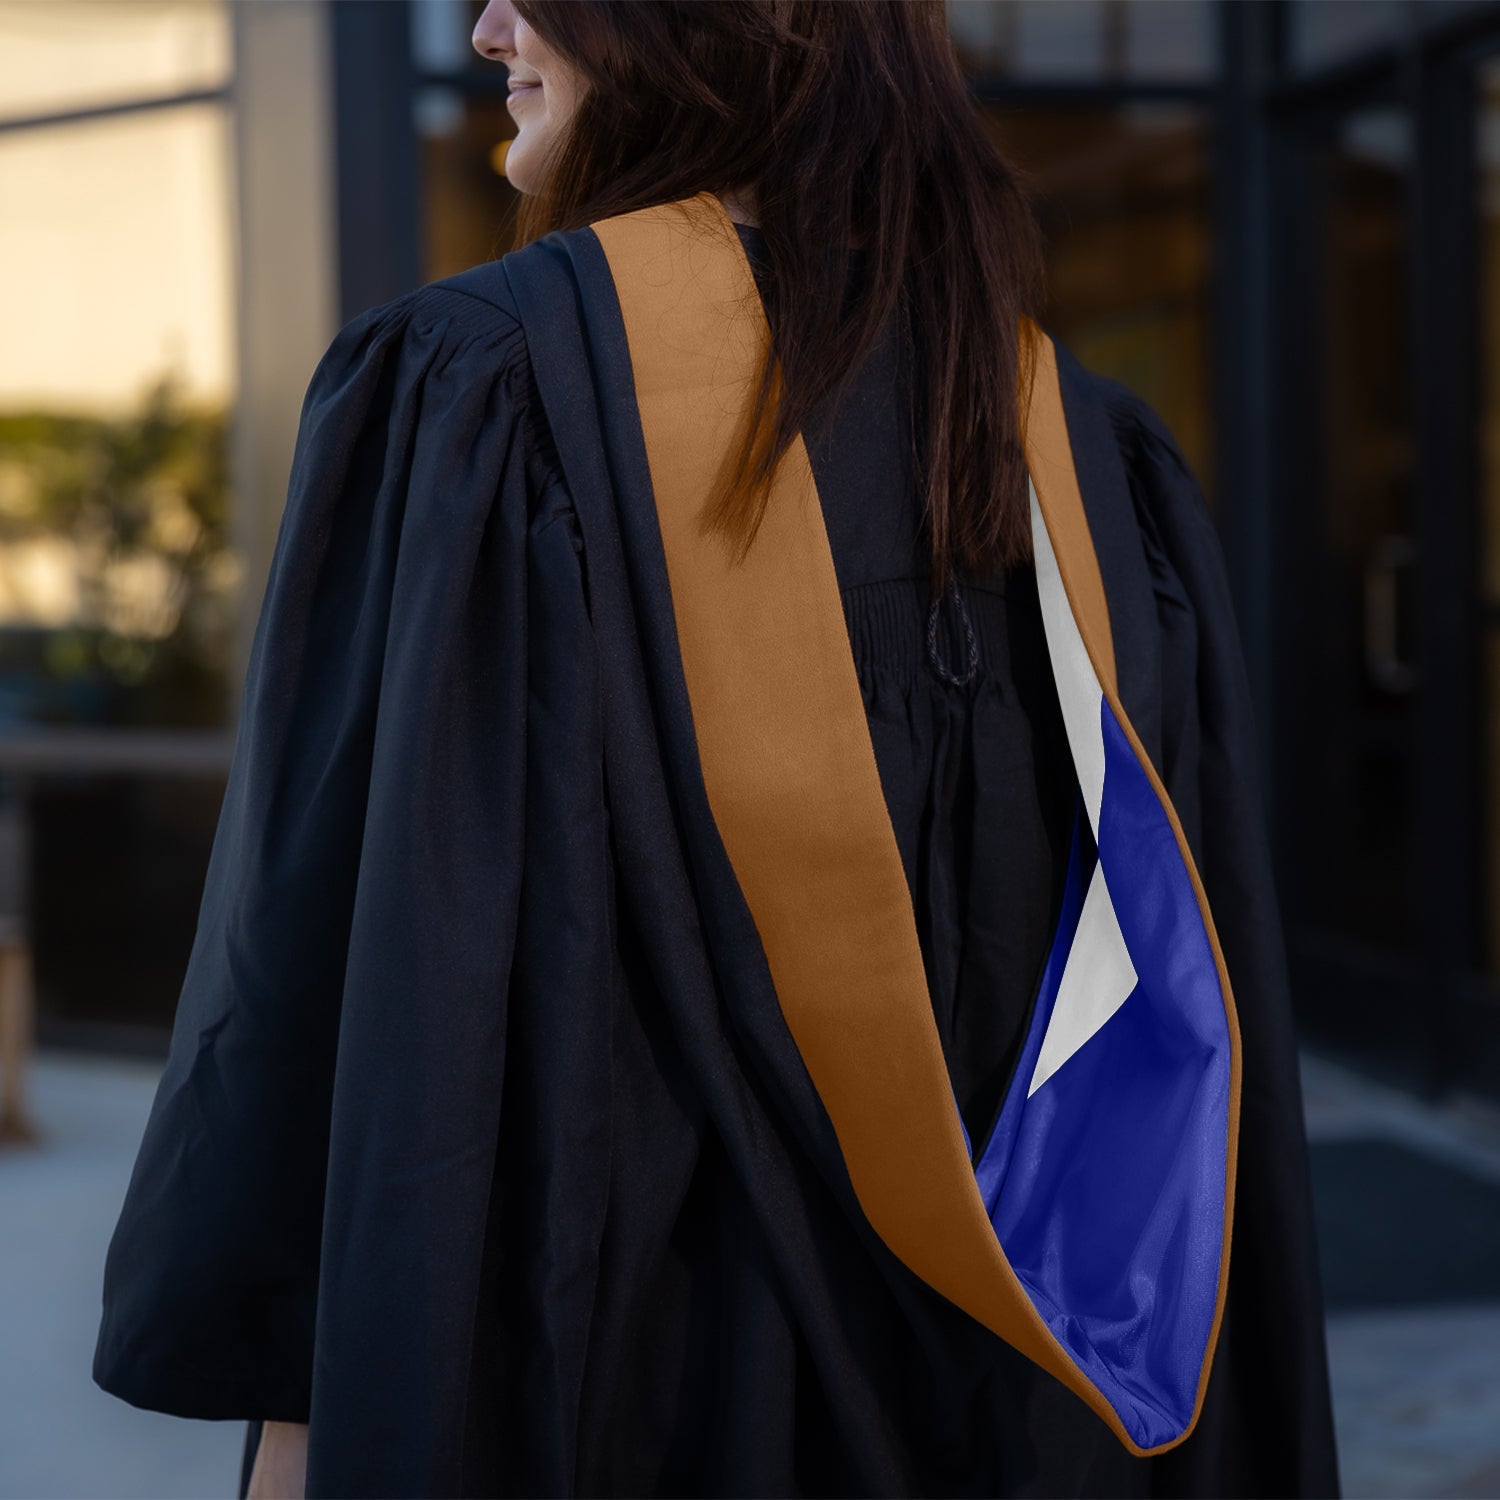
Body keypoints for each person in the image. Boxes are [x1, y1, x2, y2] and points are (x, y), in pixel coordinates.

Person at [92, 3, 1341, 1497]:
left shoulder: (483, 397)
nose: (489, 24)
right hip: (1028, 1420)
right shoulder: (1080, 456)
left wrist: (296, 1438)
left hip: (623, 1398)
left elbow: (327, 1016)